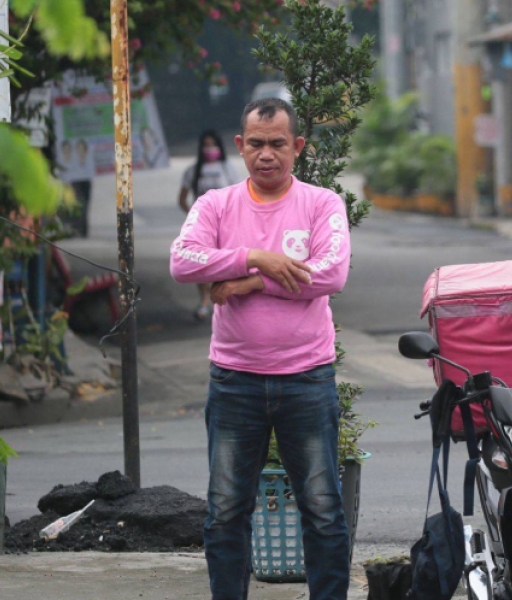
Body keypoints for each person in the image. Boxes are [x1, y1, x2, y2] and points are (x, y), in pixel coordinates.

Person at [168, 98, 352, 600]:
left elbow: (331, 273)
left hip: (307, 379)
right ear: (239, 147)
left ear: (297, 147)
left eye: (276, 144)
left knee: (322, 508)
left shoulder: (322, 203)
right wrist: (256, 257)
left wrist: (247, 283)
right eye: (256, 144)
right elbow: (183, 262)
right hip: (235, 380)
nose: (266, 154)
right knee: (226, 511)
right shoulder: (216, 205)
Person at [176, 130, 239, 320]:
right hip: (203, 226)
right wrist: (194, 216)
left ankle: (224, 299)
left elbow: (238, 194)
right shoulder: (193, 171)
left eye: (213, 144)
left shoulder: (227, 168)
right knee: (200, 262)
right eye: (206, 144)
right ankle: (204, 301)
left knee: (224, 262)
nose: (209, 148)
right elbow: (182, 198)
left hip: (225, 225)